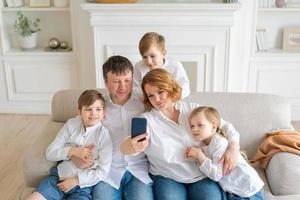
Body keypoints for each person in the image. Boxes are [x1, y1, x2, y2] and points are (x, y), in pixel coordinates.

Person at [121, 68, 240, 200]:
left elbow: (225, 126)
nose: (157, 99)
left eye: (161, 92)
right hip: (167, 177)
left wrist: (233, 147)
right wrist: (130, 147)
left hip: (201, 173)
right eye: (151, 95)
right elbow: (128, 146)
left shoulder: (192, 109)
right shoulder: (146, 119)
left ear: (170, 87)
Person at [26, 90, 112, 200]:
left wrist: (77, 181)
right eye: (88, 109)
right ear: (80, 112)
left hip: (83, 187)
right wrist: (72, 151)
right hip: (58, 178)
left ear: (103, 112)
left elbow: (103, 171)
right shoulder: (71, 124)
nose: (94, 113)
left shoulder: (103, 135)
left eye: (98, 109)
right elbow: (50, 152)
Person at [90, 55, 154, 200]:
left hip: (139, 170)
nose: (123, 87)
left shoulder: (145, 100)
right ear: (106, 82)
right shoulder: (98, 106)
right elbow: (81, 126)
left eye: (127, 81)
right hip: (108, 171)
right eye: (116, 82)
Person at [185, 106, 264, 200]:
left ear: (213, 127)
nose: (194, 129)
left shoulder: (219, 142)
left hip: (248, 191)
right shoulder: (204, 145)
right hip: (232, 190)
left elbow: (217, 174)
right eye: (192, 126)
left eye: (200, 125)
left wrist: (199, 157)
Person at [133, 32, 190, 98]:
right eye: (144, 57)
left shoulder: (175, 66)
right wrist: (150, 97)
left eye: (152, 56)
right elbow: (134, 89)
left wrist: (168, 98)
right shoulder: (139, 67)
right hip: (148, 103)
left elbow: (185, 88)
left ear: (163, 53)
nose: (149, 62)